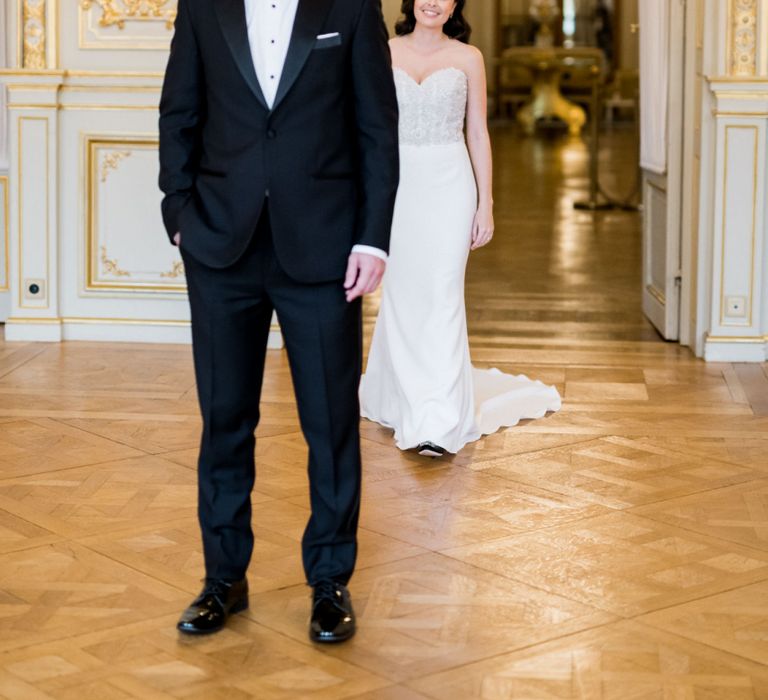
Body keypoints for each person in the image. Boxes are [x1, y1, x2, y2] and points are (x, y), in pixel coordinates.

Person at [159, 0, 399, 641]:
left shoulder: (351, 8)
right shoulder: (202, 8)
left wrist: (372, 240)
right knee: (225, 420)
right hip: (219, 246)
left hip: (323, 248)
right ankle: (222, 580)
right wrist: (178, 212)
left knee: (330, 425)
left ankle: (329, 580)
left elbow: (377, 126)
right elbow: (178, 112)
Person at [360, 0, 561, 457]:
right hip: (397, 185)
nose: (433, 1)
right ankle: (400, 395)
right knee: (404, 293)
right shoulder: (382, 51)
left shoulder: (469, 57)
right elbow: (367, 128)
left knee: (445, 291)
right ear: (412, 2)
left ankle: (438, 419)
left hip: (451, 185)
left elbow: (478, 133)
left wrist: (485, 202)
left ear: (454, 5)